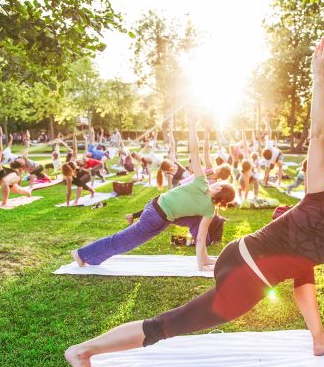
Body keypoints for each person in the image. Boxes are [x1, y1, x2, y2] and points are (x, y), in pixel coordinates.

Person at [65, 37, 324, 367]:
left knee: (303, 266)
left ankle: (318, 339)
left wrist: (319, 76)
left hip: (237, 254)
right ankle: (83, 351)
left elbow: (317, 135)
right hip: (245, 286)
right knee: (166, 325)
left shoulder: (318, 200)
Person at [79, 113, 234, 268]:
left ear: (220, 187)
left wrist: (192, 125)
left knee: (194, 220)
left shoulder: (202, 182)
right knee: (123, 241)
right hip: (156, 216)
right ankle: (82, 254)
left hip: (157, 210)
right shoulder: (209, 209)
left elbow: (194, 151)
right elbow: (200, 238)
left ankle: (204, 258)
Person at [0, 127, 31, 208]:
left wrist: (0, 136)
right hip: (7, 181)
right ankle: (28, 193)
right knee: (18, 190)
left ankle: (4, 203)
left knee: (4, 182)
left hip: (14, 175)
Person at [61, 133, 96, 206]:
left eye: (71, 167)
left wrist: (74, 138)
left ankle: (76, 201)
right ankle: (92, 191)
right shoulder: (68, 178)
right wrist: (67, 203)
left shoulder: (72, 162)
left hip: (86, 175)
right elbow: (69, 191)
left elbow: (75, 150)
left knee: (80, 183)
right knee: (80, 183)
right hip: (78, 179)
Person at [261, 117, 284, 187]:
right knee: (268, 171)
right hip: (272, 161)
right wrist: (264, 183)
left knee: (280, 164)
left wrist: (267, 123)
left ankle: (279, 182)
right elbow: (266, 172)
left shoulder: (268, 146)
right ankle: (265, 181)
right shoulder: (267, 161)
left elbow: (270, 132)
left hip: (279, 154)